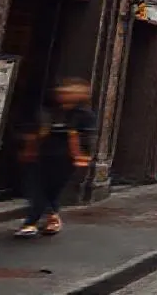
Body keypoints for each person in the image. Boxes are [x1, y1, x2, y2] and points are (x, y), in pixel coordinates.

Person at [14, 78, 96, 238]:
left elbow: (86, 137)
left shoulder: (84, 114)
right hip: (41, 155)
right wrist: (29, 148)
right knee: (37, 188)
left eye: (71, 93)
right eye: (64, 92)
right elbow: (34, 129)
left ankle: (43, 219)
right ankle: (35, 222)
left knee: (52, 189)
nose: (65, 95)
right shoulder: (50, 111)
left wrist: (82, 157)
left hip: (65, 158)